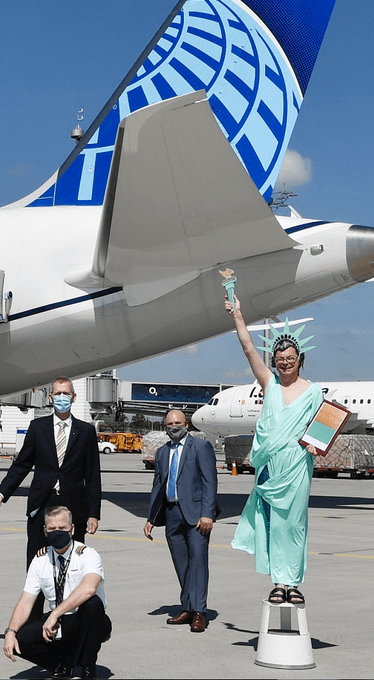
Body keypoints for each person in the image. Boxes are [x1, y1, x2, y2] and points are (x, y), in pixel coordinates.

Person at [226, 295, 322, 604]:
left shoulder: (313, 391)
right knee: (274, 524)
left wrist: (319, 447)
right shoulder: (269, 384)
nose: (285, 361)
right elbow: (248, 348)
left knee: (294, 524)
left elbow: (322, 428)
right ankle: (279, 582)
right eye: (280, 358)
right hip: (271, 465)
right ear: (274, 362)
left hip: (297, 464)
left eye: (290, 357)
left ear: (299, 358)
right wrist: (238, 316)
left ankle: (292, 582)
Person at [0, 376, 101, 568]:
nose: (62, 397)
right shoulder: (37, 428)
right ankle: (34, 599)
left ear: (74, 397)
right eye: (58, 393)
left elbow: (92, 475)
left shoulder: (86, 431)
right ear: (50, 398)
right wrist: (2, 492)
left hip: (74, 506)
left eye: (66, 393)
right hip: (42, 503)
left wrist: (93, 513)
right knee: (37, 562)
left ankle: (67, 599)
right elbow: (22, 465)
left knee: (73, 566)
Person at [3, 505, 111, 679]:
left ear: (72, 529)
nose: (57, 532)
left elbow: (90, 588)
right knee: (21, 639)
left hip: (87, 621)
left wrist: (54, 614)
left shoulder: (87, 555)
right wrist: (10, 632)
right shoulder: (40, 560)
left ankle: (88, 668)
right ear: (45, 531)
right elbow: (26, 601)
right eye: (52, 529)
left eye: (62, 528)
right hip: (60, 623)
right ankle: (62, 664)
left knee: (93, 604)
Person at [144, 409, 218, 632]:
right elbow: (158, 486)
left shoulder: (200, 447)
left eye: (177, 423)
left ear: (186, 424)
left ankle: (199, 612)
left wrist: (208, 514)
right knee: (182, 564)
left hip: (196, 515)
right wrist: (151, 518)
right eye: (169, 424)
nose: (173, 427)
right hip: (172, 513)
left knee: (198, 563)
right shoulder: (162, 453)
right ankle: (187, 606)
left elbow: (209, 482)